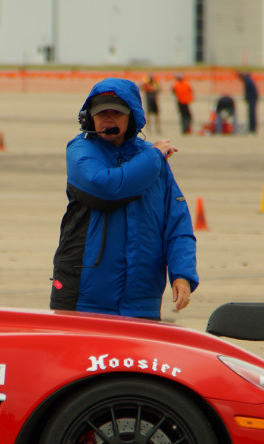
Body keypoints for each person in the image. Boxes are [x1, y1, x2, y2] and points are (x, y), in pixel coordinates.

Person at [49, 78, 198, 320]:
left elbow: (178, 222)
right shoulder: (80, 151)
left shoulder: (153, 160)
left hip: (142, 301)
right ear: (89, 117)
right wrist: (153, 157)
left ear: (132, 117)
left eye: (116, 113)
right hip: (84, 297)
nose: (108, 119)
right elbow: (106, 186)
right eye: (101, 113)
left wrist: (182, 274)